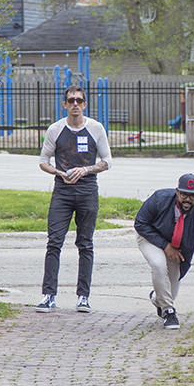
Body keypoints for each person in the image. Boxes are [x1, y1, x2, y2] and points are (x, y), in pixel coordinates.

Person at [37, 85, 113, 313]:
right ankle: (48, 296)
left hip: (88, 191)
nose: (75, 104)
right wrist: (59, 173)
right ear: (64, 104)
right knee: (54, 242)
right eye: (71, 101)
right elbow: (43, 161)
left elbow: (108, 161)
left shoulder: (96, 128)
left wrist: (86, 170)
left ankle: (83, 297)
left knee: (85, 244)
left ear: (85, 104)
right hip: (62, 192)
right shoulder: (56, 129)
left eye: (79, 100)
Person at [134, 174, 194, 329]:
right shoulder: (160, 198)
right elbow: (140, 223)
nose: (187, 199)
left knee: (170, 292)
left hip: (176, 248)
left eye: (192, 196)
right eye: (184, 194)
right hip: (150, 238)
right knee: (158, 264)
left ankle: (158, 298)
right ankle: (169, 313)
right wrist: (165, 246)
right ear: (177, 191)